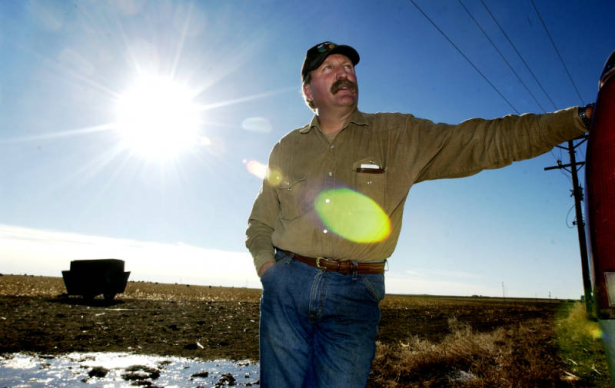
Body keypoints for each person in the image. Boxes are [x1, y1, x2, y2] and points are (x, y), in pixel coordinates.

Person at [245, 41, 593, 388]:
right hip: (288, 287)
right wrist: (269, 270)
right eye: (329, 68)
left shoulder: (396, 135)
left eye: (348, 67)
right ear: (308, 90)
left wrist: (576, 120)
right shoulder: (287, 147)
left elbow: (481, 140)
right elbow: (260, 221)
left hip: (354, 293)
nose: (344, 74)